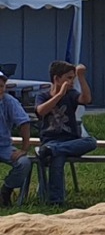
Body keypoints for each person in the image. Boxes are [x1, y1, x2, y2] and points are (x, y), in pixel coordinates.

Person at [34, 61, 97, 205]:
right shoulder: (43, 96)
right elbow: (41, 111)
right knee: (58, 158)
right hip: (51, 140)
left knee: (91, 141)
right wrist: (59, 94)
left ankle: (51, 151)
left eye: (73, 78)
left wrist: (82, 78)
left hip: (70, 141)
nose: (71, 82)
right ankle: (56, 201)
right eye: (68, 78)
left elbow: (86, 99)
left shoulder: (71, 94)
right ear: (57, 79)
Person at [0, 69, 32, 207]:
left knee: (24, 163)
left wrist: (24, 149)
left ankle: (6, 190)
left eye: (1, 86)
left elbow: (24, 123)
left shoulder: (9, 102)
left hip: (4, 146)